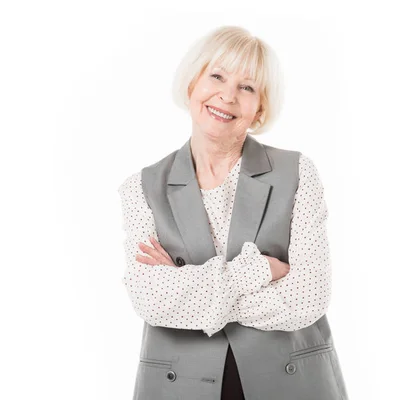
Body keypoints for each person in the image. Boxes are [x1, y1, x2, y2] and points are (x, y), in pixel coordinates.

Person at [118, 25, 348, 400]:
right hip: (180, 385)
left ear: (260, 108)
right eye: (217, 76)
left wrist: (188, 289)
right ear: (192, 83)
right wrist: (260, 270)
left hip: (290, 383)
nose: (227, 96)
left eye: (247, 87)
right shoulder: (141, 188)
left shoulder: (298, 172)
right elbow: (152, 301)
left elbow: (309, 297)